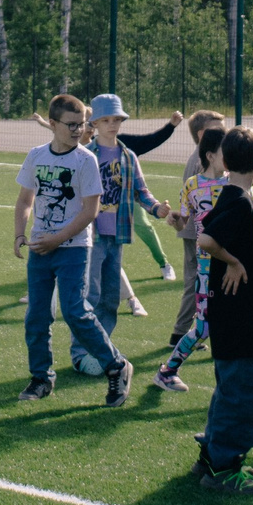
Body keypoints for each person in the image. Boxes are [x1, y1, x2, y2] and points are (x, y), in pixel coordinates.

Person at [153, 124, 253, 401]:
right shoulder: (192, 185)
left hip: (233, 266)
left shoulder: (235, 184)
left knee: (252, 321)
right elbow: (186, 223)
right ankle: (168, 371)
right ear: (212, 155)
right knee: (205, 326)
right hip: (207, 266)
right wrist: (175, 220)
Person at [13, 94, 131, 405]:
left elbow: (90, 211)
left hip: (74, 248)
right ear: (52, 124)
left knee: (75, 312)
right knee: (36, 316)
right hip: (41, 248)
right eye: (71, 125)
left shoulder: (85, 160)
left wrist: (58, 239)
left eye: (82, 124)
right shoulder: (36, 156)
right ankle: (41, 378)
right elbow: (25, 200)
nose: (79, 130)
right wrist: (19, 234)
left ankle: (116, 366)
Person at [188, 126, 253, 496]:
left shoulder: (227, 195)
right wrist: (235, 262)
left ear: (224, 161)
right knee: (246, 388)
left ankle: (210, 456)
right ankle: (224, 469)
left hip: (229, 314)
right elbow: (206, 239)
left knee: (230, 387)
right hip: (238, 317)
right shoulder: (240, 202)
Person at [35, 106, 186, 281]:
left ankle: (163, 264)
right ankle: (56, 277)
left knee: (143, 228)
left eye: (114, 120)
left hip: (123, 201)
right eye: (88, 123)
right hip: (94, 213)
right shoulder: (81, 151)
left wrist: (170, 126)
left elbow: (150, 141)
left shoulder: (122, 148)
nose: (89, 128)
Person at [78, 94, 169, 357]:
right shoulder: (85, 155)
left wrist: (157, 209)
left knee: (109, 298)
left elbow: (141, 191)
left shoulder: (128, 156)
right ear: (94, 123)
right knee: (90, 296)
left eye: (116, 119)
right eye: (106, 120)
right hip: (90, 236)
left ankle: (102, 348)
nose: (112, 125)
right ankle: (81, 351)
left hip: (117, 235)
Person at [166, 110, 228, 341]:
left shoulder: (210, 159)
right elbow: (191, 201)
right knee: (195, 282)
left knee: (207, 283)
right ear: (202, 134)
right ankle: (181, 332)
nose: (225, 133)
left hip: (205, 233)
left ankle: (201, 330)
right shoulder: (199, 163)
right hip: (197, 234)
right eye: (219, 129)